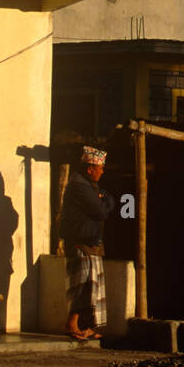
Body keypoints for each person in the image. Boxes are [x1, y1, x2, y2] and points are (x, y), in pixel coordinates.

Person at [61, 146, 115, 341]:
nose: (102, 172)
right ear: (90, 168)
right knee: (82, 284)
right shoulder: (79, 187)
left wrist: (105, 201)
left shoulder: (90, 186)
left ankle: (86, 325)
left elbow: (107, 201)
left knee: (92, 286)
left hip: (90, 241)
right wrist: (104, 203)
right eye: (100, 168)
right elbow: (100, 211)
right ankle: (72, 323)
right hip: (80, 241)